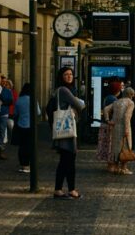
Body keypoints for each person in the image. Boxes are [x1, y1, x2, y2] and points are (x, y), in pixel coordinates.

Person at [51, 67, 86, 200]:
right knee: (67, 160)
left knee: (67, 160)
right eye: (66, 74)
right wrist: (79, 101)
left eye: (71, 74)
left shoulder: (64, 90)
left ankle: (66, 189)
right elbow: (80, 105)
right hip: (66, 130)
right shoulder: (64, 90)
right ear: (61, 76)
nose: (69, 76)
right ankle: (63, 190)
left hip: (67, 129)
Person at [103, 87, 135, 175]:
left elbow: (106, 109)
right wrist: (126, 129)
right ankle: (124, 168)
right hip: (124, 126)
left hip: (114, 127)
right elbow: (127, 116)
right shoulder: (130, 103)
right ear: (131, 95)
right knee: (126, 147)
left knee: (116, 147)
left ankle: (116, 167)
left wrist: (107, 120)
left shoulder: (116, 102)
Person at [13, 82, 39, 173]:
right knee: (30, 146)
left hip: (21, 125)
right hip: (31, 126)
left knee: (22, 146)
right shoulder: (33, 100)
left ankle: (23, 165)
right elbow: (38, 112)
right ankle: (28, 165)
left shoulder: (19, 100)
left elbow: (15, 113)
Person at [96, 82, 121, 173]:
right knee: (111, 146)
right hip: (110, 124)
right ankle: (111, 165)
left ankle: (110, 165)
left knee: (107, 145)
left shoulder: (107, 97)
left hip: (105, 124)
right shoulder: (113, 99)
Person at [0, 76, 14, 150]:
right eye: (3, 81)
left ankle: (1, 144)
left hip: (4, 112)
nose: (4, 83)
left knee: (2, 129)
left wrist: (3, 102)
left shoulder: (8, 91)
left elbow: (11, 101)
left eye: (5, 81)